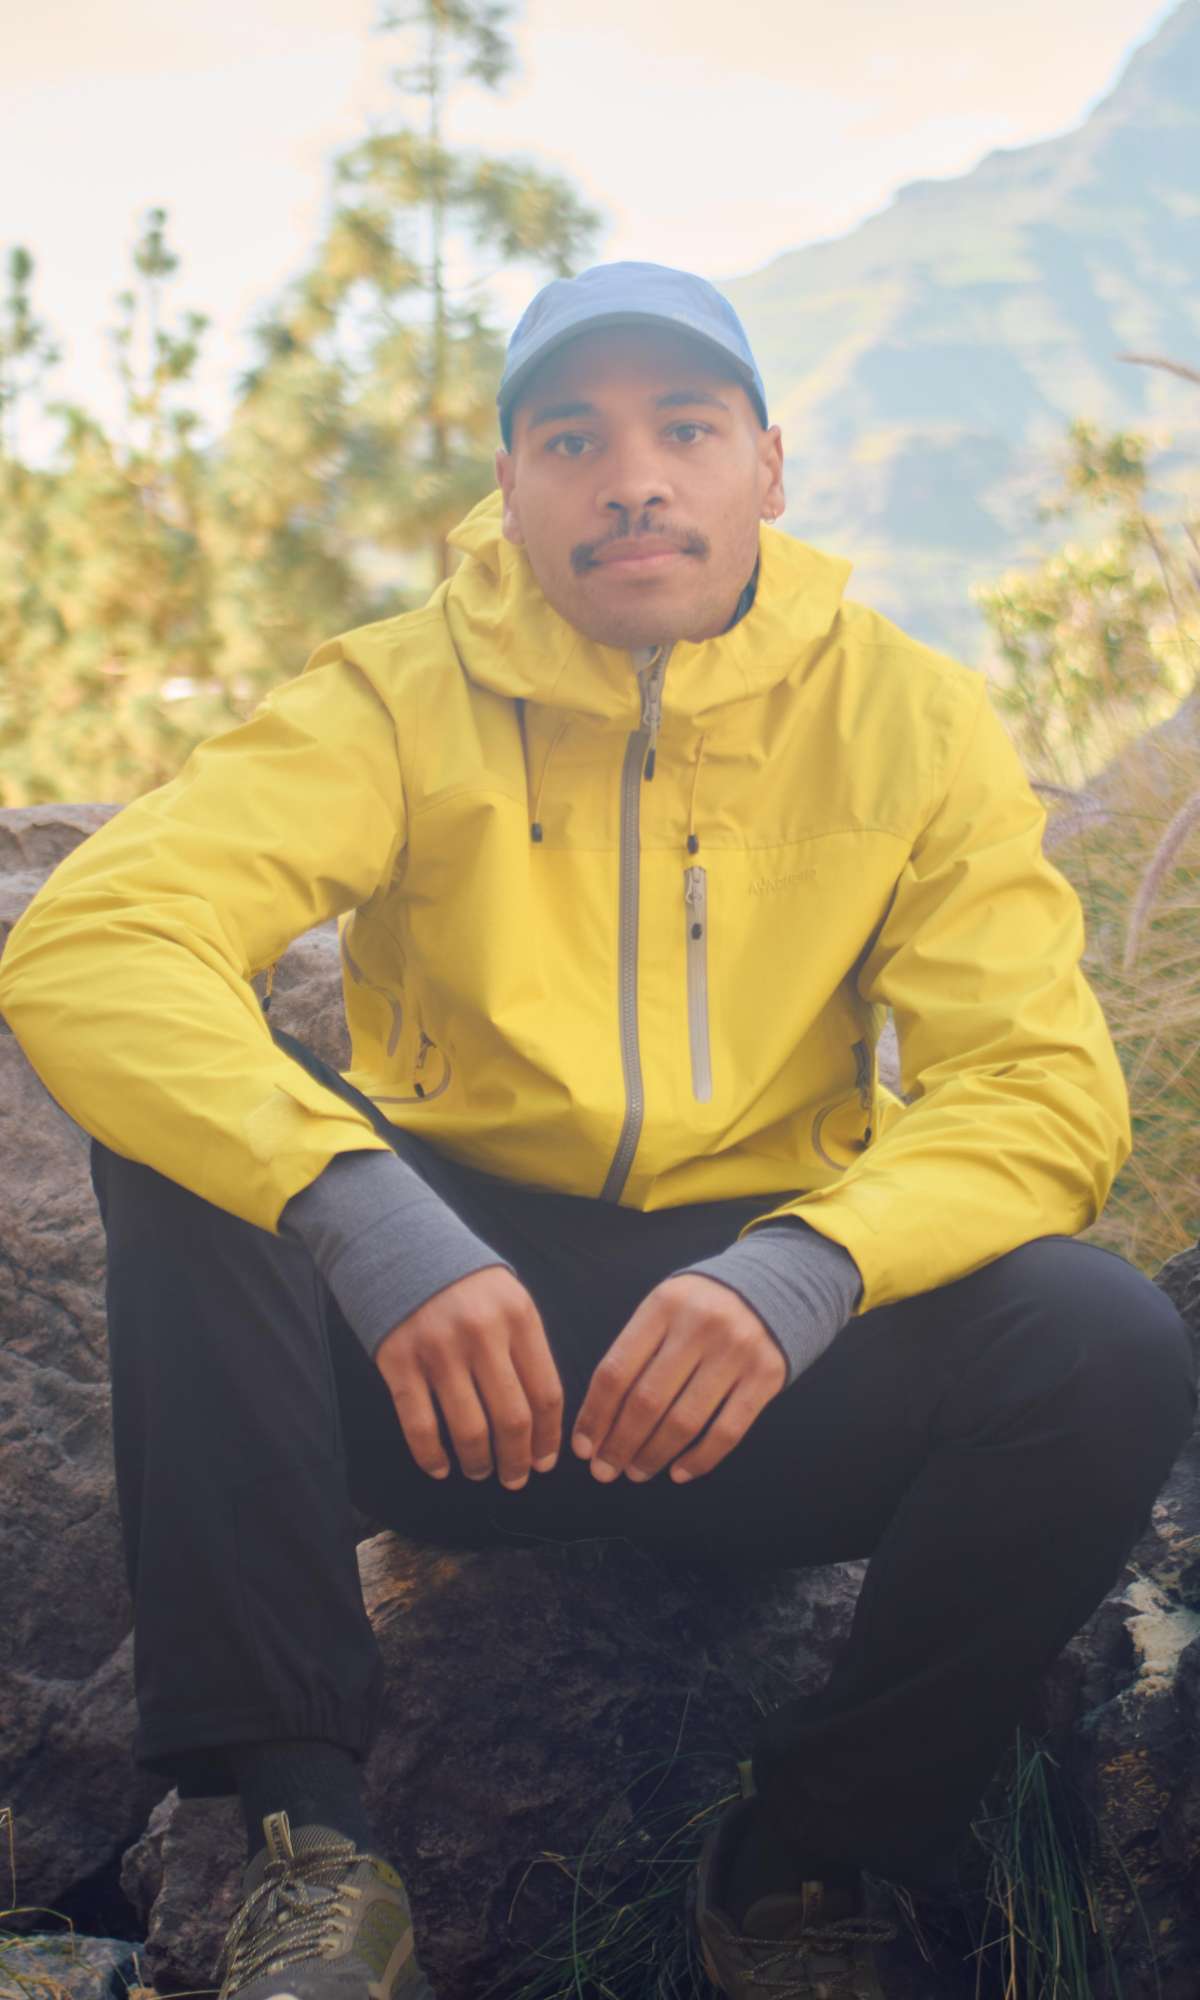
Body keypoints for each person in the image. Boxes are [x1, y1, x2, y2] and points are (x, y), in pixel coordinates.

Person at [0, 260, 1194, 2000]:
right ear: (512, 486)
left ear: (768, 466)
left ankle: (806, 1868)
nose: (633, 477)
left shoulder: (908, 715)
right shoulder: (394, 695)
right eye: (573, 439)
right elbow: (103, 935)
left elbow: (1042, 1086)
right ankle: (306, 1859)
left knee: (1102, 1338)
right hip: (441, 1367)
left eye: (685, 429)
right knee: (192, 1158)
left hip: (752, 1378)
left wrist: (808, 1269)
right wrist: (364, 1214)